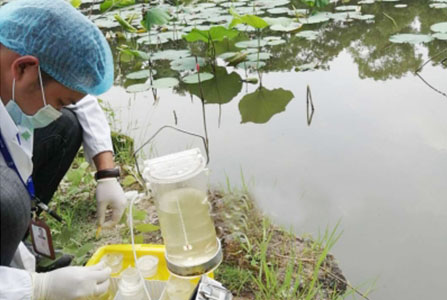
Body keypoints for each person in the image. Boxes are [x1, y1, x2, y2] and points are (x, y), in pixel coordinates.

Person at [0, 0, 127, 299]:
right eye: (60, 102)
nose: (58, 109)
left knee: (66, 126)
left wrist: (107, 173)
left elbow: (76, 93)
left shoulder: (13, 57)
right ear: (23, 68)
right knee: (8, 200)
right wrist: (35, 288)